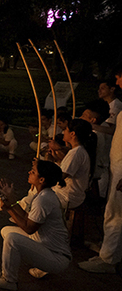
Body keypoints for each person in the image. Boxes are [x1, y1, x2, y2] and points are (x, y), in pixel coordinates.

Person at [0, 160, 71, 291]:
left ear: (41, 180)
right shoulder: (42, 195)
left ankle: (9, 280)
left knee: (12, 239)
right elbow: (26, 217)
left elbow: (29, 228)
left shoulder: (43, 199)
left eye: (33, 171)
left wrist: (9, 208)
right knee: (6, 231)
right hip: (46, 246)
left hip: (56, 257)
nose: (29, 172)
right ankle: (37, 265)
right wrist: (11, 200)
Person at [80, 73, 122, 273]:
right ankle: (112, 253)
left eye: (120, 76)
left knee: (114, 213)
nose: (118, 80)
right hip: (116, 166)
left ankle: (108, 259)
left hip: (119, 169)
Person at [47, 118, 94, 210]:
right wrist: (57, 160)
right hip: (67, 193)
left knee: (36, 199)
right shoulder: (77, 151)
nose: (63, 132)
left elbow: (60, 176)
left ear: (72, 134)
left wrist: (46, 164)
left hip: (67, 196)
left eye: (66, 130)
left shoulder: (76, 153)